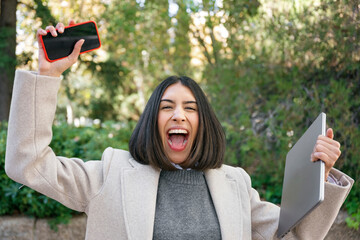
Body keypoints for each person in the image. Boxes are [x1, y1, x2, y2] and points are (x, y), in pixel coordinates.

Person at [5, 21, 354, 240]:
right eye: (166, 107)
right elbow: (28, 163)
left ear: (204, 125)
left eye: (190, 108)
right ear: (150, 122)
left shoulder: (235, 185)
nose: (178, 116)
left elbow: (294, 237)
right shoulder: (109, 174)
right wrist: (47, 76)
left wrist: (318, 177)